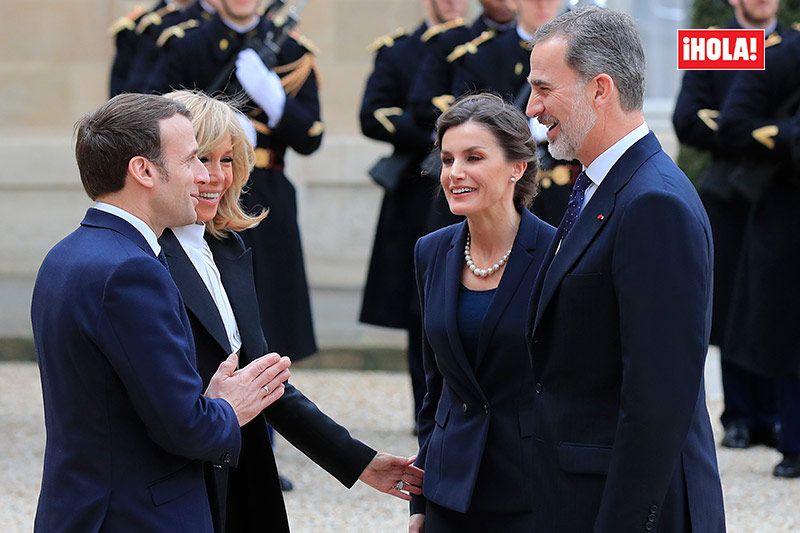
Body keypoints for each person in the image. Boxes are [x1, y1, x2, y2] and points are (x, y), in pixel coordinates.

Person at [159, 90, 424, 532]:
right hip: (177, 487)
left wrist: (360, 461)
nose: (216, 177)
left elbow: (264, 380)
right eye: (202, 159)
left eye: (228, 161)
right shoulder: (142, 257)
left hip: (243, 478)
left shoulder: (227, 247)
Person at [30, 93, 292, 531]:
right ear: (144, 170)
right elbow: (188, 429)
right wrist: (230, 406)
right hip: (139, 517)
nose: (203, 175)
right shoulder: (134, 271)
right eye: (191, 159)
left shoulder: (66, 254)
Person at [525, 7, 725, 531]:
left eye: (544, 88)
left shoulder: (653, 204)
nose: (532, 107)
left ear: (600, 89)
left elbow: (657, 403)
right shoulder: (604, 187)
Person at [410, 93, 556, 532]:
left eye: (473, 157)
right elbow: (433, 390)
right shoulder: (431, 251)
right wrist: (418, 502)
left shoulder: (559, 254)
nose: (455, 173)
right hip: (449, 492)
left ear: (518, 167)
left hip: (534, 493)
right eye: (448, 159)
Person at [149, 0, 322, 362]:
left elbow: (310, 137)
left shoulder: (292, 49)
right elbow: (149, 117)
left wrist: (275, 102)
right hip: (201, 187)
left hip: (266, 188)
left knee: (271, 304)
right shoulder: (186, 44)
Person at [672, 0, 783, 450]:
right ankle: (738, 413)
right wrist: (751, 131)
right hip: (730, 193)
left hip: (780, 194)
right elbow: (687, 118)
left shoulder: (792, 44)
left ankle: (776, 413)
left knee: (776, 304)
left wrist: (744, 128)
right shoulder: (716, 44)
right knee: (734, 303)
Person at [359, 0, 470, 433]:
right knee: (420, 303)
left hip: (468, 183)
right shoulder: (400, 50)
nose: (454, 4)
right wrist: (437, 134)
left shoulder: (479, 45)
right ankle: (423, 409)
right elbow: (373, 114)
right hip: (416, 188)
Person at [717, 28, 800, 478]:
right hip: (763, 201)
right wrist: (786, 135)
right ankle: (745, 418)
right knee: (761, 323)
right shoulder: (764, 51)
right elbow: (706, 120)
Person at [448, 0, 577, 228]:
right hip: (506, 196)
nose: (542, 5)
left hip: (566, 194)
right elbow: (463, 125)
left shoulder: (578, 57)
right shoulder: (485, 56)